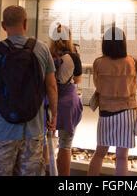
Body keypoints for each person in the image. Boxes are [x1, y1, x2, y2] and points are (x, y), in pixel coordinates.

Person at [0, 5, 58, 176]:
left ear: (3, 25)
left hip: (2, 130)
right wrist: (54, 115)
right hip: (33, 131)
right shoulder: (41, 49)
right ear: (25, 23)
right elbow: (52, 87)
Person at [87, 26, 137, 176]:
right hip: (127, 112)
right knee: (122, 157)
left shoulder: (98, 62)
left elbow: (97, 85)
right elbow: (134, 87)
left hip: (106, 112)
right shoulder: (131, 62)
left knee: (99, 154)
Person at [49, 24, 83, 176]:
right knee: (66, 145)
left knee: (46, 141)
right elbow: (77, 80)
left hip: (48, 101)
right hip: (68, 103)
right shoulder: (74, 56)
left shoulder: (47, 54)